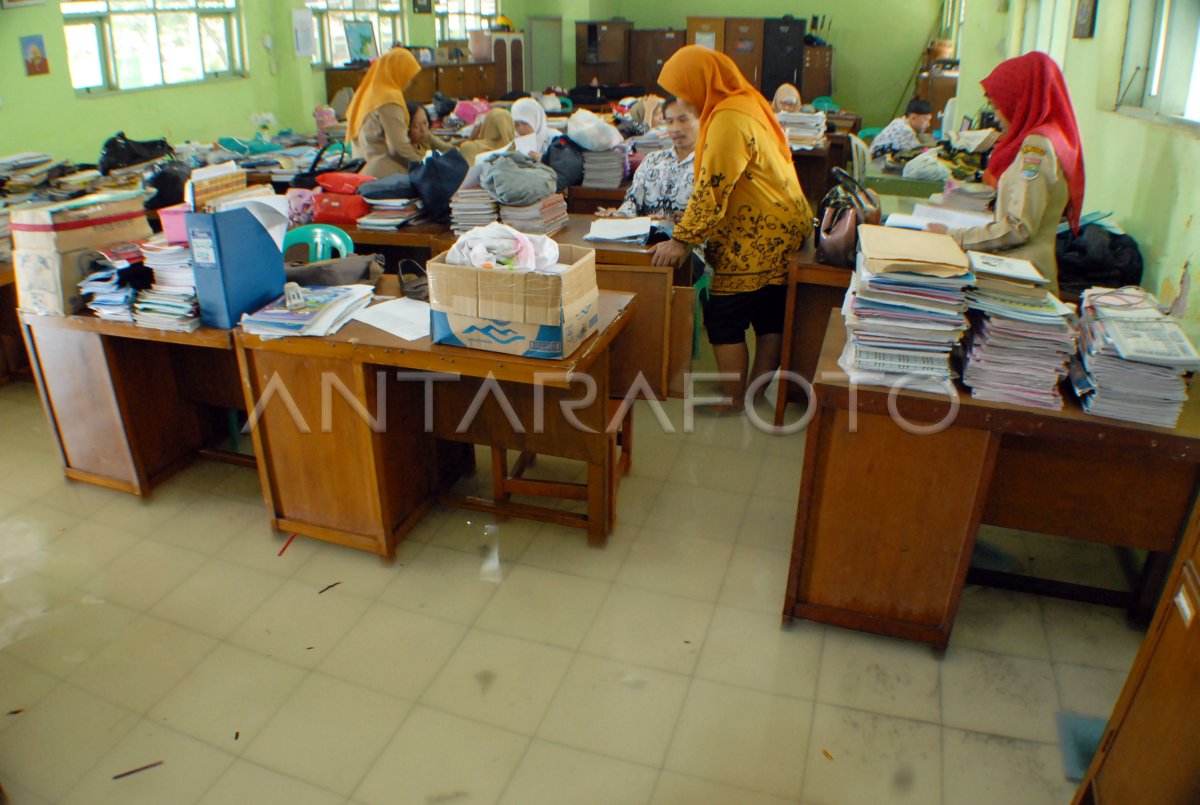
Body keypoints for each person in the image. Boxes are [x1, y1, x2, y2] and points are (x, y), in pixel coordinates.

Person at [652, 46, 814, 415]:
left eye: (683, 88)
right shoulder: (746, 102)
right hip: (784, 226)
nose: (682, 99)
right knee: (769, 314)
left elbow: (713, 188)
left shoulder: (727, 118)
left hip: (756, 236)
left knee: (725, 316)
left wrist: (682, 240)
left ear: (701, 81)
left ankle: (733, 398)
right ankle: (752, 394)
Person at [929, 52, 1084, 291]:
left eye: (998, 105)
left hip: (1021, 280)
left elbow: (1019, 227)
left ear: (1019, 99)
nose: (996, 116)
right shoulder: (1050, 138)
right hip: (1017, 272)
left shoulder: (1037, 147)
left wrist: (954, 236)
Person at [596, 96, 699, 221]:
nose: (676, 128)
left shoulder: (710, 164)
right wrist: (618, 215)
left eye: (683, 120)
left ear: (701, 120)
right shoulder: (652, 160)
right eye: (670, 122)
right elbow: (632, 204)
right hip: (647, 238)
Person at [346, 48, 433, 178]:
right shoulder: (388, 99)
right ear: (398, 72)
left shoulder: (369, 91)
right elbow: (398, 147)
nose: (409, 82)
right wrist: (422, 166)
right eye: (408, 75)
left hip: (363, 166)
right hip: (383, 171)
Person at [870, 98, 934, 160]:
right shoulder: (905, 130)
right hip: (877, 164)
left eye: (929, 120)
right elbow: (918, 152)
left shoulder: (898, 121)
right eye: (925, 120)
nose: (928, 124)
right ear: (913, 117)